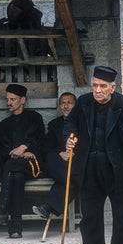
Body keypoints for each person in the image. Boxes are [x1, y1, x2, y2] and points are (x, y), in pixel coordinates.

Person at [64, 66, 123, 244]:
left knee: (122, 215)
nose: (98, 90)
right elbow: (70, 124)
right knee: (90, 215)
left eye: (103, 86)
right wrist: (70, 138)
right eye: (95, 85)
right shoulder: (84, 102)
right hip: (89, 166)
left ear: (112, 88)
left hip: (118, 168)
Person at [0, 84, 45, 238]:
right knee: (16, 176)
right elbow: (2, 150)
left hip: (33, 165)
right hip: (14, 167)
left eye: (13, 99)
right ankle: (15, 229)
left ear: (23, 100)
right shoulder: (3, 126)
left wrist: (25, 148)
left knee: (11, 167)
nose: (8, 102)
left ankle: (2, 209)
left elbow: (41, 141)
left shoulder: (34, 118)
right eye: (7, 99)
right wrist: (14, 153)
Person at [32, 92, 77, 220]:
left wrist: (74, 153)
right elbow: (47, 147)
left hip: (75, 162)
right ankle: (71, 178)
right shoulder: (54, 124)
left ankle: (47, 208)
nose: (66, 106)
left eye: (69, 103)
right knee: (51, 156)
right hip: (60, 165)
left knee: (71, 175)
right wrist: (60, 153)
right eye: (63, 103)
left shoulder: (82, 124)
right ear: (58, 107)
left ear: (75, 106)